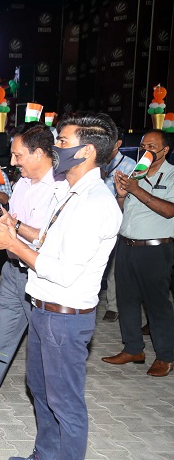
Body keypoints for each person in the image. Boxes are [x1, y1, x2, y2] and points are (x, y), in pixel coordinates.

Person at [0, 112, 122, 460]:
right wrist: (13, 232)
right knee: (40, 392)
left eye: (62, 142)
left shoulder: (94, 203)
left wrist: (12, 245)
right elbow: (47, 240)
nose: (55, 148)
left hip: (65, 316)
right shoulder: (72, 194)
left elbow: (63, 271)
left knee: (65, 404)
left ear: (87, 151)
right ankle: (43, 455)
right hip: (44, 309)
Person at [0, 122, 60, 422]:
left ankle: (52, 415)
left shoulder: (61, 189)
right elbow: (13, 224)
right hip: (12, 272)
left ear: (39, 153)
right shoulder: (22, 184)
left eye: (18, 155)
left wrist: (15, 228)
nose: (12, 162)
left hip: (41, 279)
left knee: (46, 350)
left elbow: (49, 239)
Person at [103, 129, 174, 377]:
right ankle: (133, 348)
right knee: (127, 300)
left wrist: (135, 190)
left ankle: (166, 356)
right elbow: (127, 210)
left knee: (157, 305)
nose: (146, 151)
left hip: (156, 249)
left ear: (165, 151)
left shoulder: (172, 175)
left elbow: (169, 211)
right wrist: (122, 196)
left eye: (152, 147)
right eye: (143, 146)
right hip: (127, 245)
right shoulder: (136, 175)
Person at [99, 131, 136, 322]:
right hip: (95, 220)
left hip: (119, 220)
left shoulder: (130, 166)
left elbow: (131, 198)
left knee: (113, 264)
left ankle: (112, 305)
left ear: (118, 143)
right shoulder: (96, 163)